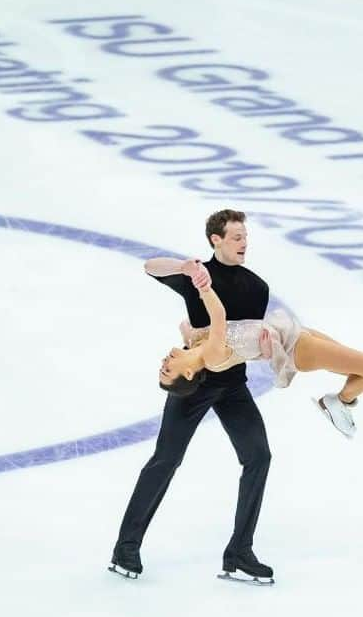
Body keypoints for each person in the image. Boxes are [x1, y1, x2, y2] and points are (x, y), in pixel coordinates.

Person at [110, 209, 276, 585]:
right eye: (235, 236)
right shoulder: (198, 277)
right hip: (195, 381)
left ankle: (239, 553)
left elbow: (248, 340)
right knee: (165, 459)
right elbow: (150, 266)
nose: (244, 242)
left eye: (245, 236)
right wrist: (185, 267)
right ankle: (126, 547)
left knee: (259, 456)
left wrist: (264, 348)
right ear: (215, 240)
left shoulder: (257, 288)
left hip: (233, 384)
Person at [158, 265, 363, 446]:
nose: (165, 363)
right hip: (293, 348)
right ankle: (338, 403)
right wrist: (202, 284)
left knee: (358, 370)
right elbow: (219, 314)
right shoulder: (209, 356)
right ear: (188, 374)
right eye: (168, 370)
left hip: (290, 333)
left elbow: (187, 317)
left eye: (163, 366)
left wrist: (189, 325)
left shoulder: (195, 342)